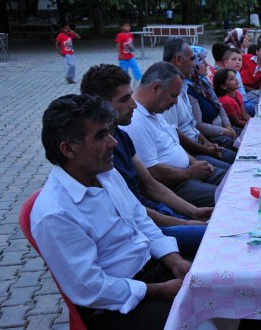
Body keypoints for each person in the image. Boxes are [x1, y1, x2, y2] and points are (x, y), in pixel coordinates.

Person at [33, 94, 190, 329]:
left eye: (109, 131)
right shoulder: (55, 214)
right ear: (68, 149)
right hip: (117, 306)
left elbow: (140, 220)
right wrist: (158, 291)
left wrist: (175, 260)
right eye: (100, 135)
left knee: (221, 285)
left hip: (152, 271)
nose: (113, 142)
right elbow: (91, 288)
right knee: (200, 316)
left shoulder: (106, 174)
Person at [80, 64, 211, 258]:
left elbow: (150, 185)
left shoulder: (120, 137)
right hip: (143, 228)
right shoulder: (96, 153)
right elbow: (131, 211)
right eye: (124, 99)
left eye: (130, 95)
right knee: (215, 237)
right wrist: (185, 223)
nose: (134, 104)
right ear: (100, 105)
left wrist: (194, 211)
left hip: (156, 215)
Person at [122, 62, 226, 208]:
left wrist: (194, 163)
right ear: (156, 88)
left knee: (234, 178)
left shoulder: (154, 111)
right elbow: (152, 172)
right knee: (228, 196)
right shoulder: (136, 122)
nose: (175, 102)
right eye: (173, 96)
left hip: (188, 172)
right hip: (175, 185)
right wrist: (189, 173)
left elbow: (174, 145)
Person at [161, 38, 236, 166]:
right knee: (234, 166)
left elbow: (192, 125)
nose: (194, 64)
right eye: (192, 59)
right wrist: (205, 148)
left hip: (201, 144)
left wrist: (206, 142)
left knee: (241, 154)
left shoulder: (185, 86)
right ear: (179, 60)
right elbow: (176, 136)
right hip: (191, 154)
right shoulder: (169, 91)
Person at [188, 49, 239, 151]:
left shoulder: (203, 83)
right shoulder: (189, 91)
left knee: (248, 133)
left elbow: (219, 106)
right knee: (240, 146)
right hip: (211, 137)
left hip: (223, 127)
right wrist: (224, 131)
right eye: (202, 62)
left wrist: (228, 125)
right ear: (193, 65)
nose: (207, 64)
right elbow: (199, 125)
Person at [115, 22, 143, 87]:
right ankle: (123, 81)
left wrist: (132, 49)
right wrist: (120, 54)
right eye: (126, 26)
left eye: (129, 26)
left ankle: (138, 79)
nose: (128, 27)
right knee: (124, 70)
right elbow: (118, 45)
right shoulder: (120, 35)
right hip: (123, 57)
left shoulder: (130, 34)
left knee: (135, 67)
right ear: (121, 27)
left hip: (130, 56)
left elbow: (131, 43)